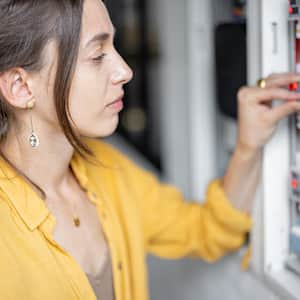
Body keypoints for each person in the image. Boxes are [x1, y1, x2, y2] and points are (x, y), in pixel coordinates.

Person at [0, 0, 299, 299]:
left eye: (113, 47)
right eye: (97, 55)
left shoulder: (109, 170)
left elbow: (206, 229)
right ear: (21, 87)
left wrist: (248, 144)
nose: (125, 70)